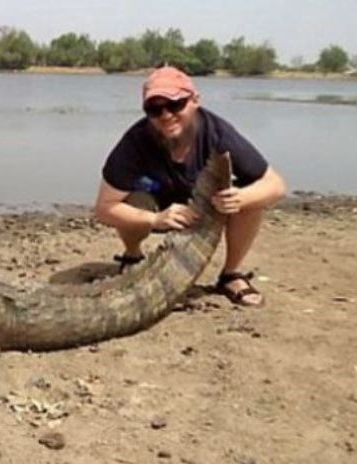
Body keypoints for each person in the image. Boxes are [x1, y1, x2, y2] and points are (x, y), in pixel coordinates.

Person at [94, 66, 286, 307]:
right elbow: (104, 208)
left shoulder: (217, 133)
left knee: (251, 200)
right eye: (154, 109)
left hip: (206, 206)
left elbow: (276, 185)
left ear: (194, 101)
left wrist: (241, 198)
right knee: (131, 202)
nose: (165, 115)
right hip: (157, 205)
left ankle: (231, 274)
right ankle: (132, 255)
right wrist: (155, 220)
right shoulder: (135, 141)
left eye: (175, 105)